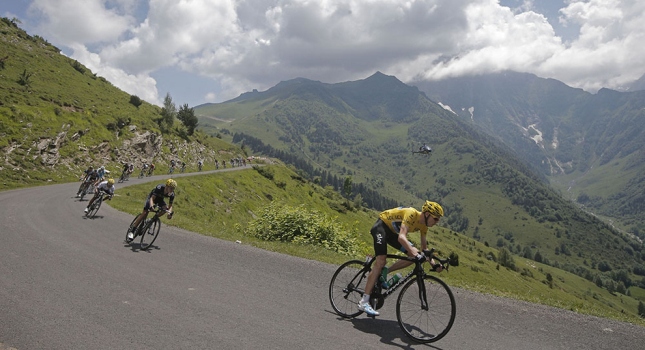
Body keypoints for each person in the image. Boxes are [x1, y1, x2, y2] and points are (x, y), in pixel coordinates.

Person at [357, 200, 444, 316]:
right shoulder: (411, 213)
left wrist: (434, 264)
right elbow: (402, 237)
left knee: (413, 256)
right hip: (381, 227)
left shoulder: (424, 226)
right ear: (427, 214)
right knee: (381, 260)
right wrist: (414, 251)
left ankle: (386, 271)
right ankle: (364, 301)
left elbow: (424, 249)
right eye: (436, 218)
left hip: (392, 233)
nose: (437, 222)